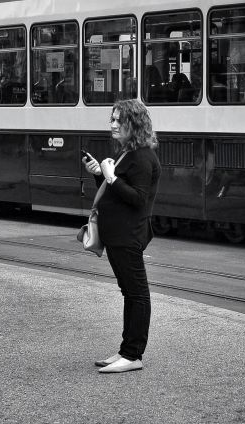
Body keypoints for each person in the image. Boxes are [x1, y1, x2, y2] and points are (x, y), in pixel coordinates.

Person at [82, 99, 161, 373]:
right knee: (129, 292)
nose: (112, 124)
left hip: (129, 235)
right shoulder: (129, 152)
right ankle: (126, 351)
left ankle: (133, 355)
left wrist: (111, 177)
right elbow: (118, 193)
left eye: (118, 120)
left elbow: (138, 199)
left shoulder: (142, 157)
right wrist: (100, 176)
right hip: (118, 235)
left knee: (137, 294)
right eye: (112, 119)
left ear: (134, 124)